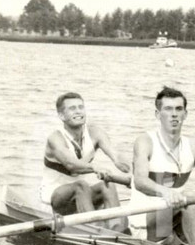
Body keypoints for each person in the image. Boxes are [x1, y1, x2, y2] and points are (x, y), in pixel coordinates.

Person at [117, 86, 195, 245]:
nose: (174, 114)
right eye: (168, 109)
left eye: (179, 109)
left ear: (185, 114)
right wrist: (167, 192)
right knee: (190, 202)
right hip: (144, 222)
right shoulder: (145, 142)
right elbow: (140, 181)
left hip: (172, 215)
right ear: (158, 115)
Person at [39, 92, 131, 231]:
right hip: (54, 198)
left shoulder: (95, 133)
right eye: (72, 108)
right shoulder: (55, 138)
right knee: (81, 185)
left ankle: (118, 230)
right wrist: (95, 168)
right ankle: (95, 231)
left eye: (81, 107)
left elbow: (116, 155)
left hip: (82, 196)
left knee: (107, 184)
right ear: (62, 116)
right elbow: (71, 166)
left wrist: (132, 170)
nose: (78, 111)